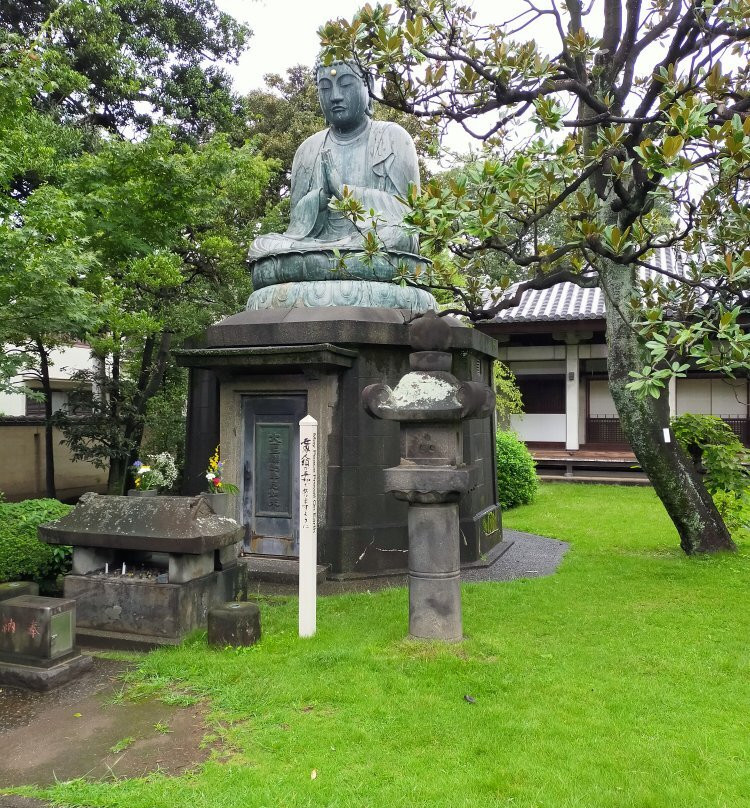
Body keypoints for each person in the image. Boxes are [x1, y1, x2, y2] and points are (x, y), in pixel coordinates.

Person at [248, 59, 420, 264]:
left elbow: (409, 216)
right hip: (315, 245)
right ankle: (333, 255)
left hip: (374, 242)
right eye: (325, 89)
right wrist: (321, 197)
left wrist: (343, 191)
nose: (335, 96)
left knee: (401, 235)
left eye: (346, 85)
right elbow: (296, 225)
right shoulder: (308, 149)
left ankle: (337, 255)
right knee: (262, 247)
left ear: (368, 86)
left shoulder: (393, 138)